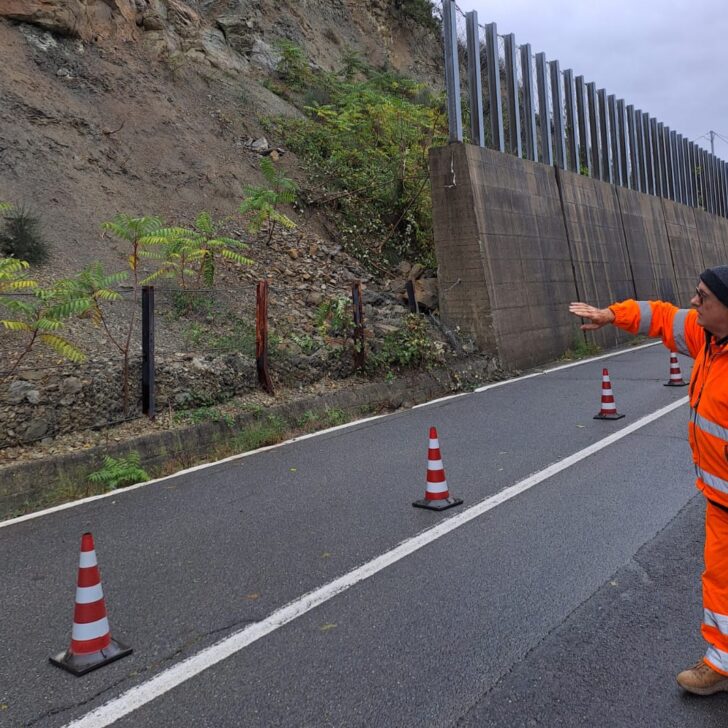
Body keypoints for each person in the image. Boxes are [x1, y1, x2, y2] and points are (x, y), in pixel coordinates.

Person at [569, 266, 728, 696]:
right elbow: (659, 316)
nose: (693, 302)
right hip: (720, 504)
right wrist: (610, 315)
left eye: (702, 297)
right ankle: (721, 664)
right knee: (720, 583)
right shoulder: (708, 340)